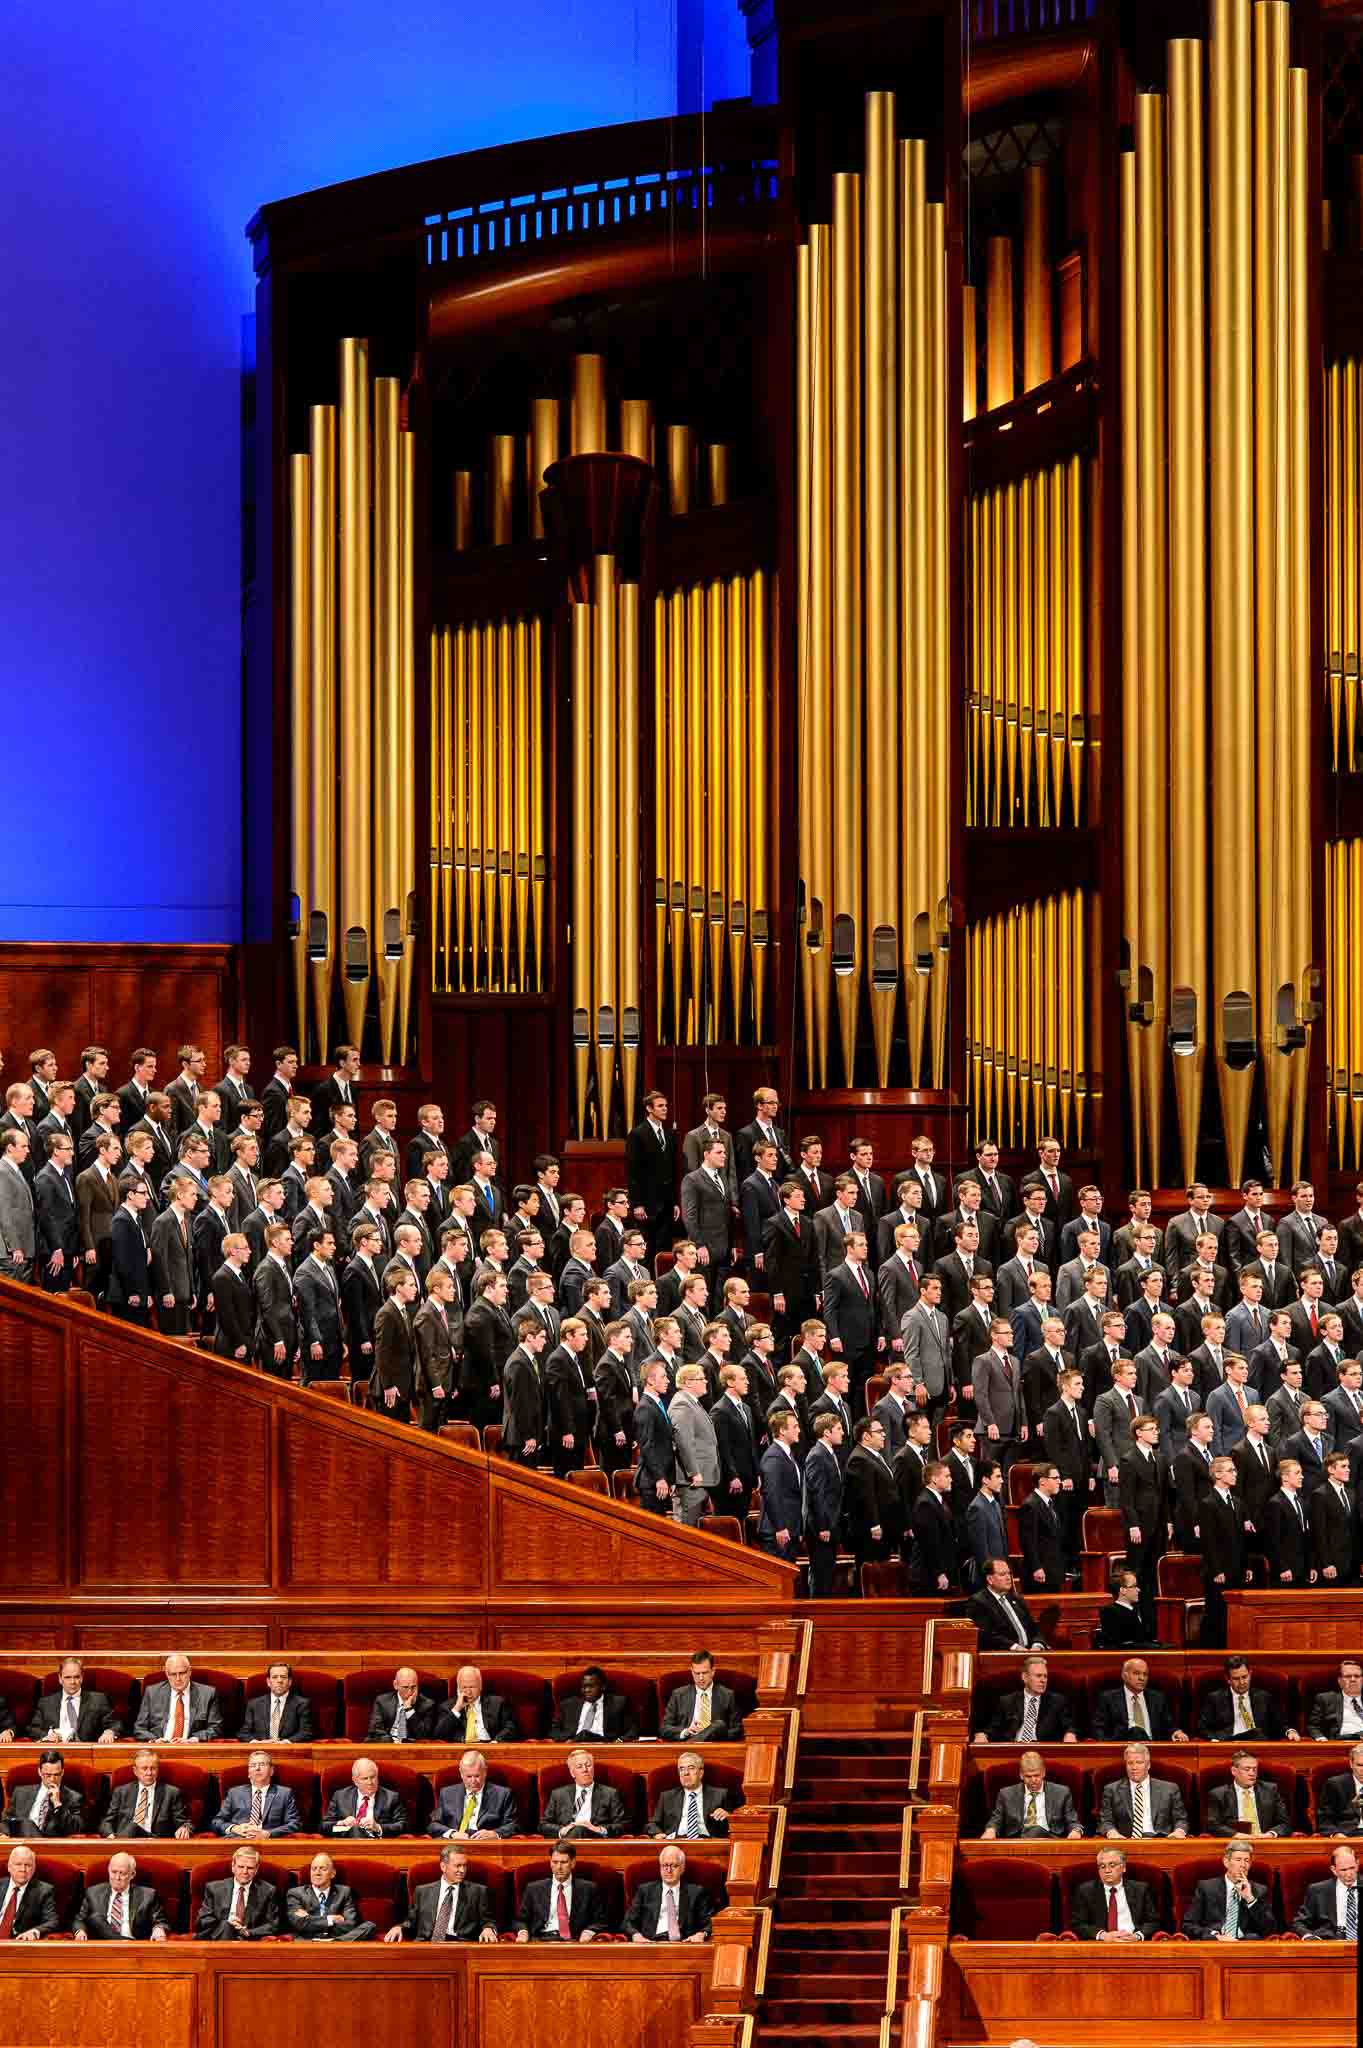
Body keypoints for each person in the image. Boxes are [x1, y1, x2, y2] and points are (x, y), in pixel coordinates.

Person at [386, 1844, 499, 1943]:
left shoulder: (478, 1891)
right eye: (457, 1866)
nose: (462, 1870)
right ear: (443, 1867)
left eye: (464, 1865)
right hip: (427, 1945)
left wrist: (488, 1928)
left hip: (461, 1946)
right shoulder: (422, 1891)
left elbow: (487, 1921)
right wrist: (399, 1927)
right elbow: (411, 1921)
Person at [1181, 1836, 1275, 1938]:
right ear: (1226, 1862)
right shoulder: (1207, 1888)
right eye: (1238, 1860)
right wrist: (1214, 1935)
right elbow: (1187, 1925)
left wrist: (1250, 1899)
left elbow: (1270, 1929)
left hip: (1245, 1946)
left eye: (1247, 1860)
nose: (1243, 1865)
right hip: (1215, 1944)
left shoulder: (1258, 1890)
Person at [979, 1750, 1082, 1839]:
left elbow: (1072, 1820)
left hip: (1050, 1840)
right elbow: (996, 1820)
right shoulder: (1006, 1794)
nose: (1034, 1780)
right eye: (1028, 1776)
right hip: (1018, 1842)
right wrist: (990, 1830)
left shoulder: (1061, 1792)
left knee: (1036, 1829)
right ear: (1021, 1775)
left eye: (1037, 1775)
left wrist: (1076, 1831)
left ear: (1044, 1773)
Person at [515, 1842, 609, 1941]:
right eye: (555, 1862)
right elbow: (520, 1920)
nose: (559, 1867)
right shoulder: (533, 1889)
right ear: (550, 1863)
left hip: (574, 1941)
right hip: (541, 1940)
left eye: (564, 1862)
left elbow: (601, 1921)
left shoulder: (589, 1889)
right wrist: (523, 1932)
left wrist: (588, 1932)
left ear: (572, 1863)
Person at [976, 1655, 1078, 1745]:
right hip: (1014, 1748)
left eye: (1045, 1676)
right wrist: (983, 1735)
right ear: (1025, 1677)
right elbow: (993, 1728)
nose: (1043, 1680)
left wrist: (1070, 1734)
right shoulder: (1007, 1701)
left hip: (1043, 1750)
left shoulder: (1057, 1702)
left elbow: (1069, 1725)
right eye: (1038, 1676)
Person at [843, 1414, 901, 1568]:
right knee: (872, 1571)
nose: (884, 1434)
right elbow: (866, 1495)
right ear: (866, 1436)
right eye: (879, 1431)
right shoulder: (860, 1459)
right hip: (872, 1531)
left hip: (883, 1526)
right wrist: (874, 1525)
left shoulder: (873, 1456)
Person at [624, 1844, 713, 1942]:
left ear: (682, 1868)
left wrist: (701, 1934)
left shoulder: (696, 1892)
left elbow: (708, 1923)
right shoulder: (645, 1891)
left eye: (674, 1866)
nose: (669, 1870)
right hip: (650, 1944)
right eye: (665, 1865)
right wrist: (636, 1935)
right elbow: (628, 1922)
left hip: (684, 1945)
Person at [1068, 1846, 1161, 1940]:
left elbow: (1153, 1922)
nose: (1107, 1871)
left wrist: (1137, 1936)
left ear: (1123, 1867)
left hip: (1133, 1942)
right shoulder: (1086, 1891)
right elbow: (1078, 1924)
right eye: (1102, 1866)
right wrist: (1103, 1935)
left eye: (1112, 1865)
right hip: (1101, 1944)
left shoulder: (1140, 1889)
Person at [72, 1852, 170, 1941]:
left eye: (122, 1873)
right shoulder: (93, 1893)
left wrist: (159, 1929)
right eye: (113, 1872)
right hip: (102, 1946)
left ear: (132, 1874)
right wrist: (80, 1931)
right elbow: (79, 1920)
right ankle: (122, 1940)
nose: (117, 1878)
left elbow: (160, 1921)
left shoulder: (148, 1895)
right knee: (96, 1919)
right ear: (108, 1870)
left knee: (96, 1919)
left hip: (136, 1948)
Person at [1099, 1742, 1189, 1837]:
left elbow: (1181, 1819)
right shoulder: (1112, 1790)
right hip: (1126, 1842)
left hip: (1161, 1841)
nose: (1134, 1767)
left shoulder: (1169, 1789)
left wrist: (1179, 1831)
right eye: (1130, 1763)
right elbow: (1105, 1821)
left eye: (1139, 1762)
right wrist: (1112, 1833)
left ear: (1148, 1765)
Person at [1198, 1657, 1297, 1743]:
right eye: (1236, 1679)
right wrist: (1215, 1740)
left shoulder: (1264, 1697)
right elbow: (1202, 1727)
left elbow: (1279, 1724)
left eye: (1244, 1677)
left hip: (1258, 1742)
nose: (1242, 1682)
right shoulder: (1215, 1698)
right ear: (1228, 1679)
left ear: (1250, 1674)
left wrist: (1289, 1731)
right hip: (1228, 1742)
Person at [670, 1362, 721, 1526]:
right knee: (687, 1526)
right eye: (701, 1378)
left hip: (701, 1477)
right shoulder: (682, 1403)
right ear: (688, 1382)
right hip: (691, 1480)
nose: (706, 1381)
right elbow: (684, 1441)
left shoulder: (692, 1402)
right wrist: (693, 1471)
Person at [647, 1752, 742, 1839]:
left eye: (691, 1768)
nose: (685, 1773)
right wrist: (657, 1834)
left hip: (709, 1842)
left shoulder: (720, 1795)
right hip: (676, 1841)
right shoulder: (667, 1797)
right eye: (681, 1769)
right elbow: (653, 1824)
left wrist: (728, 1816)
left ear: (701, 1773)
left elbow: (736, 1822)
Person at [100, 1749, 193, 1838]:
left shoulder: (171, 1793)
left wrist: (184, 1828)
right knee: (133, 1827)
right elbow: (106, 1822)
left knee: (134, 1827)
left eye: (153, 1768)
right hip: (125, 1841)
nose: (149, 1773)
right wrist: (110, 1836)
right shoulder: (121, 1792)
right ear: (135, 1771)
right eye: (144, 1768)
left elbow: (184, 1823)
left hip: (155, 1843)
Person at [284, 1850, 375, 1940]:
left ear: (333, 1873)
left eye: (323, 1869)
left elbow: (351, 1924)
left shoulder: (344, 1892)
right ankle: (337, 1942)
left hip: (335, 1939)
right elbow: (298, 1924)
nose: (317, 1873)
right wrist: (330, 1920)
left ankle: (335, 1942)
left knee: (369, 1926)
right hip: (308, 1941)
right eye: (314, 1869)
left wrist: (310, 1920)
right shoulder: (296, 1893)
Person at [1090, 1658, 1188, 1742]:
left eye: (1145, 1674)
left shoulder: (1158, 1698)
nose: (1142, 1678)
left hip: (1152, 1746)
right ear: (1124, 1676)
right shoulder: (1108, 1698)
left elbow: (1169, 1725)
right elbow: (1098, 1728)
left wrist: (1176, 1732)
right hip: (1121, 1746)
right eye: (1137, 1673)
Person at [195, 1844, 281, 1938]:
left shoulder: (268, 1891)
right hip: (217, 1937)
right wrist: (227, 1923)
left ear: (256, 1869)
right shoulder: (214, 1888)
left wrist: (247, 1932)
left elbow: (272, 1925)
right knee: (227, 1926)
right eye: (240, 1867)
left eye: (250, 1868)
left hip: (247, 1939)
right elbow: (203, 1919)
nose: (245, 1872)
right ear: (233, 1867)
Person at [538, 1748, 628, 1838]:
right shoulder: (558, 1794)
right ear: (572, 1773)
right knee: (577, 1830)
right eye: (579, 1767)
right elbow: (543, 1825)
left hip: (595, 1840)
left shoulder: (610, 1794)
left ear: (593, 1769)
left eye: (588, 1765)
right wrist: (562, 1830)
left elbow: (622, 1825)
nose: (585, 1770)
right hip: (567, 1839)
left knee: (579, 1829)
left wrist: (599, 1829)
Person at [27, 1656, 120, 1743]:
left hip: (86, 1752)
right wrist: (48, 1735)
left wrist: (109, 1732)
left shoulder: (98, 1700)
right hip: (54, 1750)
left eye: (76, 1677)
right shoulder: (45, 1703)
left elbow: (115, 1724)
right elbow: (33, 1729)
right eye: (67, 1677)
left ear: (82, 1677)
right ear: (60, 1679)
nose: (72, 1682)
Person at [210, 1750, 302, 1837]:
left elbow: (294, 1824)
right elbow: (217, 1822)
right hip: (238, 1839)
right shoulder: (234, 1793)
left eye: (262, 1764)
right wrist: (235, 1828)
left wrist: (268, 1833)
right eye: (253, 1765)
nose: (257, 1768)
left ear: (271, 1771)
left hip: (268, 1841)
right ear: (248, 1773)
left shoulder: (284, 1793)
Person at [428, 1750, 518, 1839]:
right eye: (469, 1776)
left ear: (485, 1772)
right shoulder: (447, 1793)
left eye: (477, 1776)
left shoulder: (502, 1794)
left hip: (487, 1845)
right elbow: (433, 1825)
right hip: (455, 1845)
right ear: (461, 1773)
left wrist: (494, 1833)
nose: (473, 1781)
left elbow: (514, 1825)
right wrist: (452, 1833)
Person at [133, 1654, 222, 1742]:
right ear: (167, 1674)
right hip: (160, 1747)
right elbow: (139, 1728)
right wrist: (155, 1740)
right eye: (173, 1674)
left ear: (189, 1671)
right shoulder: (152, 1693)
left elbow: (216, 1728)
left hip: (190, 1747)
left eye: (182, 1673)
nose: (178, 1678)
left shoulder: (207, 1694)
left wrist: (193, 1739)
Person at [1204, 1751, 1293, 1836]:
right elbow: (1212, 1825)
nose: (1252, 1773)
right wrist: (1235, 1835)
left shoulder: (1270, 1790)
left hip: (1265, 1841)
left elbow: (1285, 1823)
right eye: (1247, 1769)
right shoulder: (1219, 1794)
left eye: (1254, 1769)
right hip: (1235, 1843)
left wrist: (1270, 1834)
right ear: (1234, 1771)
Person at [804, 1411, 845, 1597]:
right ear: (826, 1433)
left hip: (830, 1526)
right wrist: (823, 1526)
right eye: (838, 1429)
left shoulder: (827, 1454)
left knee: (827, 1573)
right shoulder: (817, 1456)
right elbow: (817, 1494)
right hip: (822, 1529)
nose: (843, 1432)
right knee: (821, 1575)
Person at [661, 1652, 744, 1743]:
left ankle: (691, 1744)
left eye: (704, 1673)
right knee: (719, 1725)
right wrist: (686, 1731)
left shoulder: (727, 1695)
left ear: (713, 1671)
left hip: (714, 1745)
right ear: (692, 1672)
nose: (700, 1678)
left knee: (719, 1725)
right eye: (697, 1673)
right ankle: (692, 1743)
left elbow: (737, 1730)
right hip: (687, 1742)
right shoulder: (678, 1695)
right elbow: (664, 1728)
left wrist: (715, 1734)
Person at [966, 1557, 1045, 1652]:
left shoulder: (1016, 1598)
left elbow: (1033, 1627)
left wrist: (1037, 1644)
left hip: (1029, 1651)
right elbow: (986, 1635)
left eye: (1009, 1573)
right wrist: (1014, 1647)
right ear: (990, 1579)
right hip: (1005, 1654)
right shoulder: (978, 1602)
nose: (1008, 1578)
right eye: (1002, 1574)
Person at [0, 1749, 85, 1835]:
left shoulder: (74, 1798)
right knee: (26, 1825)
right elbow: (5, 1821)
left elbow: (76, 1829)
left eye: (56, 1775)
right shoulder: (20, 1793)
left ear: (62, 1772)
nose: (52, 1779)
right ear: (40, 1772)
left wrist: (58, 1805)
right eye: (48, 1775)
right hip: (19, 1841)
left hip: (48, 1844)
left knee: (27, 1825)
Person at [321, 1757, 408, 1838]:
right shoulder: (340, 1796)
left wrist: (378, 1827)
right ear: (355, 1780)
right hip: (347, 1844)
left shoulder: (391, 1798)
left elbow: (403, 1825)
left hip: (377, 1846)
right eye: (365, 1778)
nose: (370, 1782)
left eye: (373, 1777)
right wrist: (341, 1823)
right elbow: (324, 1826)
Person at [550, 1667, 638, 1744]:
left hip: (605, 1746)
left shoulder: (618, 1703)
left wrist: (619, 1741)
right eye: (584, 1687)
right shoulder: (568, 1705)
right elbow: (554, 1731)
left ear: (603, 1686)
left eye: (591, 1686)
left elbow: (632, 1730)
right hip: (574, 1745)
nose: (587, 1690)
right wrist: (566, 1741)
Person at [758, 1407, 804, 1555]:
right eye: (795, 1426)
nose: (799, 1430)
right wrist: (780, 1527)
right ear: (782, 1431)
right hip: (778, 1532)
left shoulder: (787, 1454)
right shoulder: (774, 1456)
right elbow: (772, 1493)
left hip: (790, 1528)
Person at [907, 1459, 958, 1594]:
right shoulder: (926, 1503)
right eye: (947, 1476)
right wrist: (939, 1573)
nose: (951, 1480)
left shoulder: (937, 1500)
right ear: (934, 1479)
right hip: (928, 1576)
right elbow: (930, 1543)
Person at [435, 1667, 521, 1746]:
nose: (468, 1692)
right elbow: (439, 1735)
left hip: (490, 1746)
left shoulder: (497, 1703)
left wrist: (496, 1742)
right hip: (461, 1750)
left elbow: (511, 1728)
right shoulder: (447, 1707)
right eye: (464, 1687)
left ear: (480, 1686)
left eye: (472, 1687)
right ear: (458, 1688)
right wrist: (457, 1708)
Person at [1293, 1844, 1362, 1938]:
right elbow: (1299, 1923)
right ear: (1334, 1870)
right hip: (1330, 1941)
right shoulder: (1318, 1890)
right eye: (1343, 1870)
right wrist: (1309, 1936)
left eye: (1352, 1868)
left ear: (1357, 1864)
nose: (1349, 1874)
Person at [367, 1666, 441, 1743]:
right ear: (395, 1685)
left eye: (413, 1687)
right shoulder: (382, 1701)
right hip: (386, 1744)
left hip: (411, 1748)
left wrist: (409, 1710)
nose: (410, 1692)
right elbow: (374, 1731)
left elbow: (423, 1735)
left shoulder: (428, 1705)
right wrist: (393, 1743)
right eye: (405, 1687)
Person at [0, 1845, 59, 1939]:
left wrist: (35, 1932)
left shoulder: (44, 1891)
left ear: (34, 1868)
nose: (23, 1869)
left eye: (28, 1865)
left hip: (19, 1944)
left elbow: (52, 1922)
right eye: (18, 1864)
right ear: (9, 1867)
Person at [1095, 1569, 1156, 1648]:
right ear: (1122, 1590)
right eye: (1134, 1586)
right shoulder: (1110, 1612)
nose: (1138, 1590)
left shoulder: (1139, 1609)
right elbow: (1119, 1643)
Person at [1308, 1660, 1363, 1741]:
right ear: (1340, 1681)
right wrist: (1321, 1739)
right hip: (1340, 1742)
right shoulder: (1326, 1699)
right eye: (1348, 1676)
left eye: (1357, 1676)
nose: (1353, 1679)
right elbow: (1313, 1726)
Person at [1317, 1742, 1363, 1834]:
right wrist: (1335, 1834)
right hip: (1348, 1835)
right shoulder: (1335, 1785)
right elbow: (1324, 1820)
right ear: (1351, 1764)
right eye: (1360, 1765)